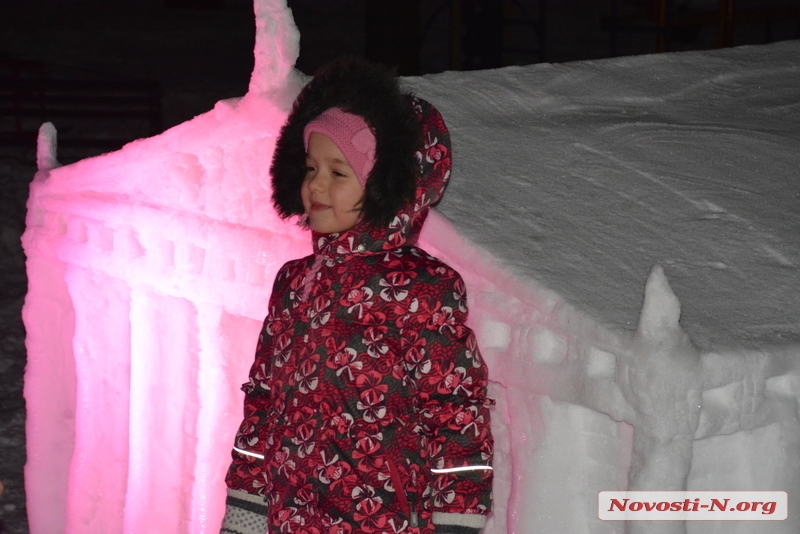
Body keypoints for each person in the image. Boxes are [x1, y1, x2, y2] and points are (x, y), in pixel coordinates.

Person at [221, 57, 493, 534]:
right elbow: (262, 399)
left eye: (338, 173)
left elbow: (455, 413)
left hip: (383, 520)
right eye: (309, 168)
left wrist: (457, 522)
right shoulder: (293, 285)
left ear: (385, 185)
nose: (315, 186)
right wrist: (245, 509)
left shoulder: (420, 288)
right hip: (292, 518)